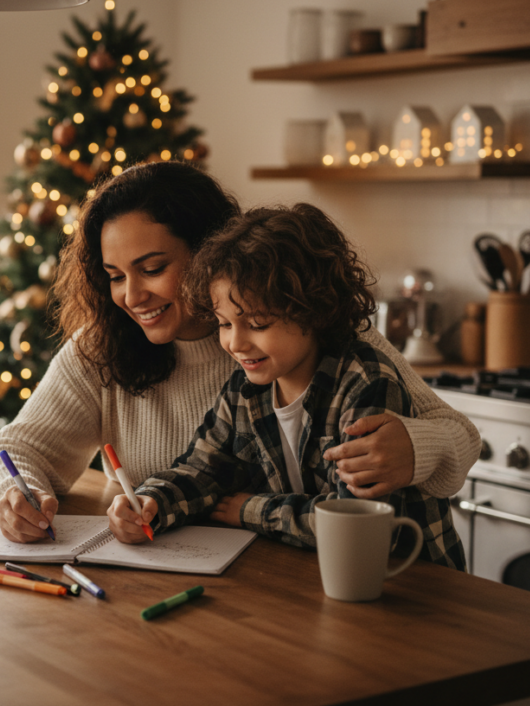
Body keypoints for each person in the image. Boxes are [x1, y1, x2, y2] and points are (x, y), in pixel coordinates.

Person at [0, 161, 478, 543]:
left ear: (209, 254)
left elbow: (461, 436)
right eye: (114, 277)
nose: (131, 296)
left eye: (151, 268)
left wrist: (415, 448)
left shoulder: (318, 333)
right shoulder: (106, 347)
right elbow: (15, 450)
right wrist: (14, 496)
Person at [109, 204, 466, 570]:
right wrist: (149, 504)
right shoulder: (244, 390)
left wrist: (249, 509)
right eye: (224, 324)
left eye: (258, 323)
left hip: (413, 583)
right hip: (320, 577)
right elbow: (201, 470)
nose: (235, 343)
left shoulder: (366, 382)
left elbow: (351, 522)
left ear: (313, 310)